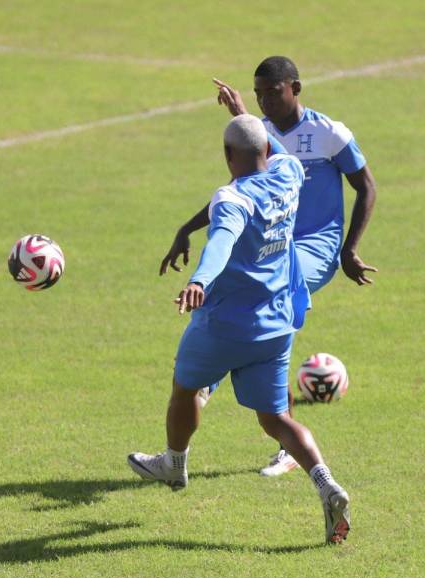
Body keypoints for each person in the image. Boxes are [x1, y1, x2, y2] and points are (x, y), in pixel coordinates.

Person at [130, 115, 351, 544]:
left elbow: (221, 243)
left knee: (185, 388)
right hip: (276, 324)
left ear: (227, 155)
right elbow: (276, 152)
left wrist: (198, 281)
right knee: (276, 418)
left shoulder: (232, 199)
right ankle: (326, 483)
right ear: (266, 149)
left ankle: (174, 463)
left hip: (225, 325)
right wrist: (245, 113)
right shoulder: (288, 173)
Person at [160, 55, 377, 477]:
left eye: (272, 93)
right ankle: (230, 395)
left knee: (264, 305)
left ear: (296, 88)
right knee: (251, 308)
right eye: (258, 95)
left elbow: (366, 186)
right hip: (277, 246)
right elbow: (236, 203)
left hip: (314, 248)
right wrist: (187, 227)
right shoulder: (263, 138)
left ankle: (223, 396)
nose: (265, 102)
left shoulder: (328, 133)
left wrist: (349, 249)